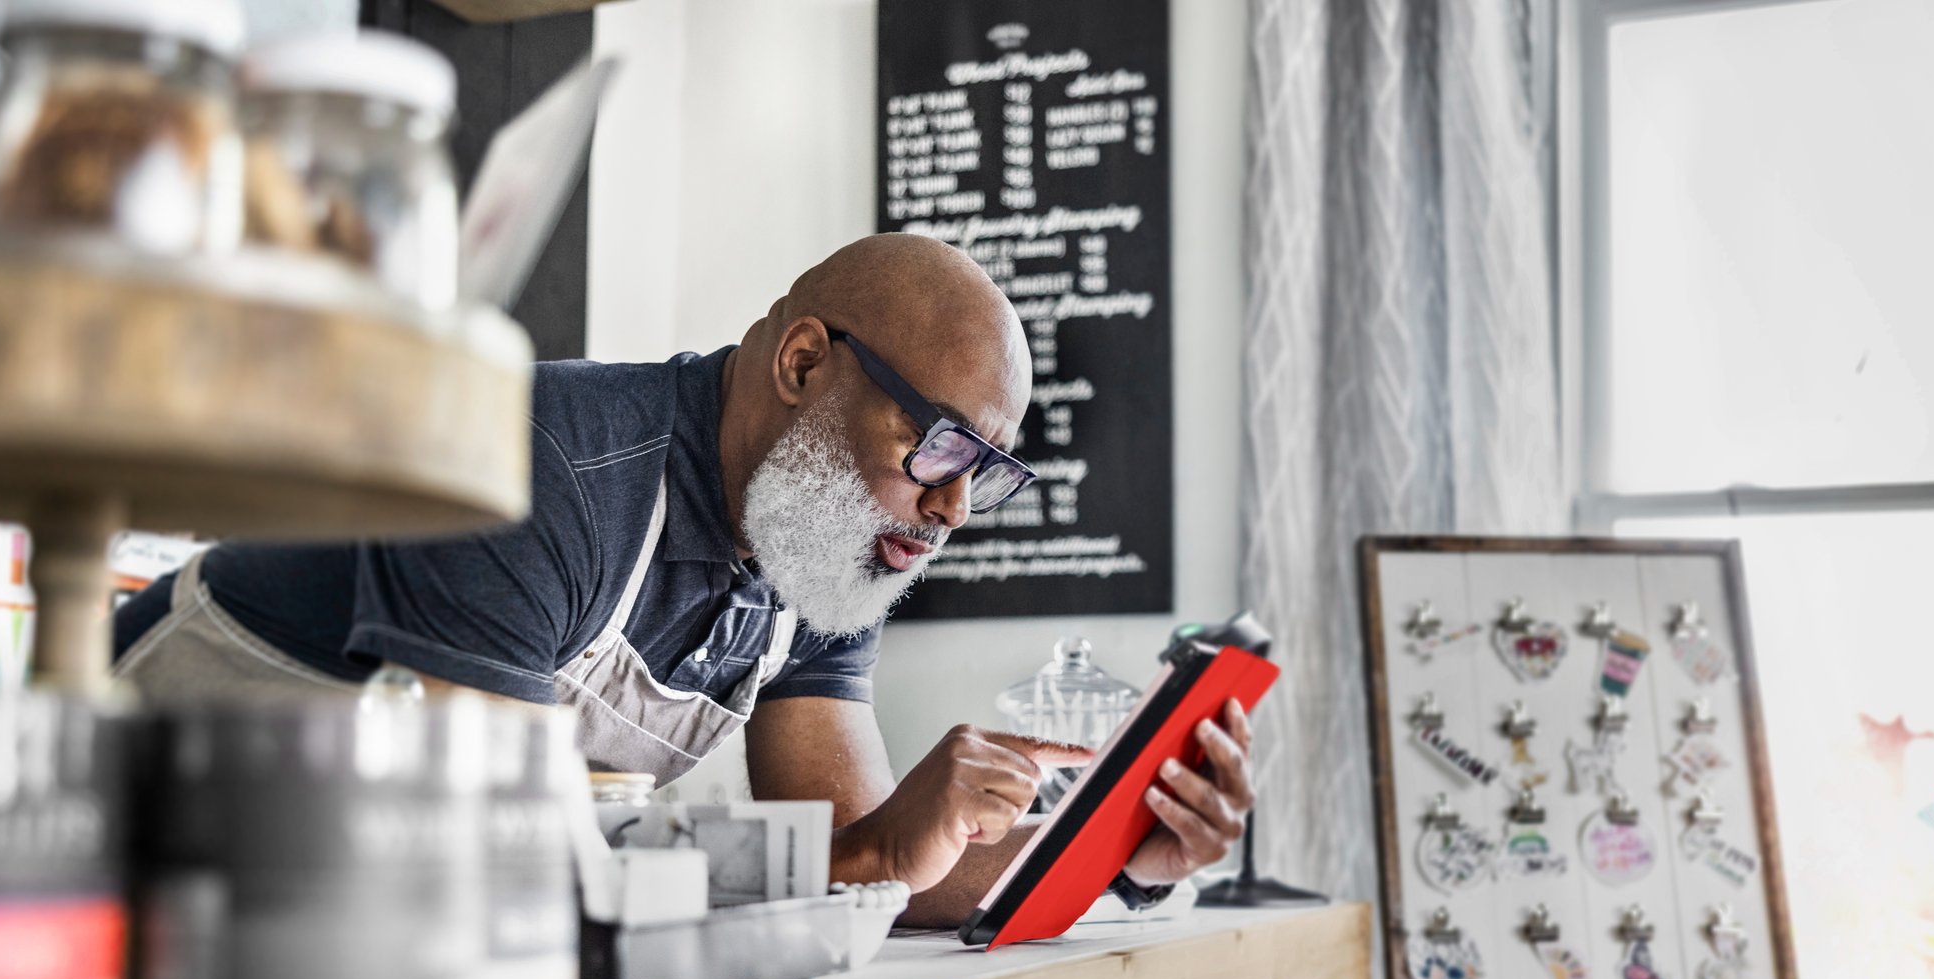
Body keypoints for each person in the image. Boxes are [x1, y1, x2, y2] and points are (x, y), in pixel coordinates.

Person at [111, 233, 1254, 925]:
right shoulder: (541, 462)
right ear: (805, 362)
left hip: (344, 894)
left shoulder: (817, 556)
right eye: (941, 446)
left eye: (985, 473)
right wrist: (850, 863)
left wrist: (1118, 853)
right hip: (142, 816)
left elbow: (867, 863)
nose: (952, 509)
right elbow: (506, 871)